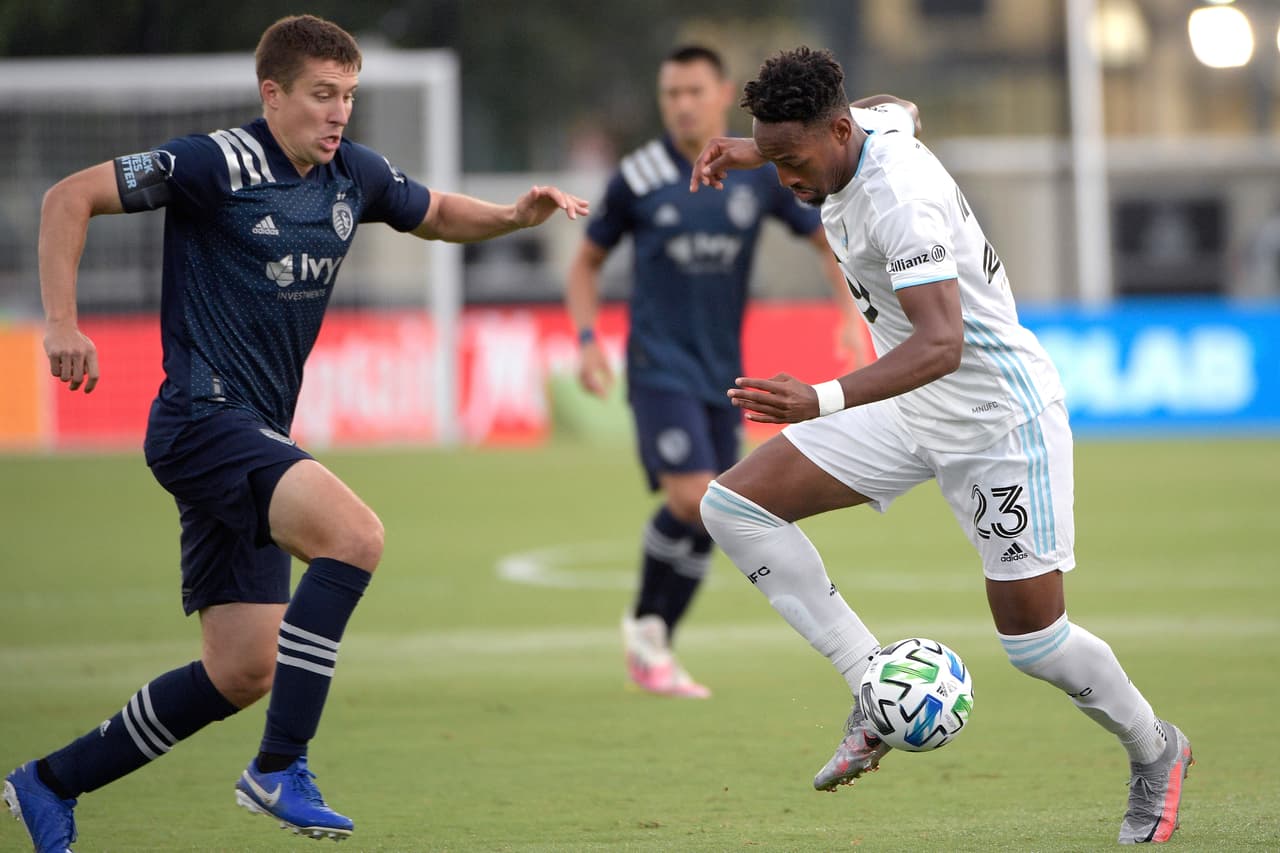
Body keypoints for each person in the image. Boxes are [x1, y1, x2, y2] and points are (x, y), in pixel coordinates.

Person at [3, 15, 588, 852]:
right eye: (321, 95)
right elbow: (70, 196)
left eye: (348, 95)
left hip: (252, 432)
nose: (338, 112)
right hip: (202, 419)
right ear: (271, 94)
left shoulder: (354, 172)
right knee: (355, 537)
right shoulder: (215, 162)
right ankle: (280, 766)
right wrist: (63, 321)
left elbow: (436, 213)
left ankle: (49, 783)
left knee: (243, 666)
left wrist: (514, 216)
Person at [690, 47, 1192, 844]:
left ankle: (1156, 749)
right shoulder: (860, 130)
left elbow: (942, 342)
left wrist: (817, 398)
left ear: (836, 129)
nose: (785, 175)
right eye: (774, 156)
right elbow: (900, 107)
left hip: (996, 420)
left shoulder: (902, 202)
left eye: (793, 156)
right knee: (735, 506)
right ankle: (873, 687)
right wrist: (758, 148)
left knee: (1037, 644)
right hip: (911, 406)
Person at [565, 45, 884, 698]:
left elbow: (824, 238)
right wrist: (588, 338)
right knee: (692, 498)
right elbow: (586, 262)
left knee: (719, 507)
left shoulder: (756, 173)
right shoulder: (639, 175)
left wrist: (850, 314)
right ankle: (648, 630)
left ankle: (653, 634)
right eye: (670, 93)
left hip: (724, 372)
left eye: (692, 91)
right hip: (659, 366)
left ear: (719, 97)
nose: (680, 104)